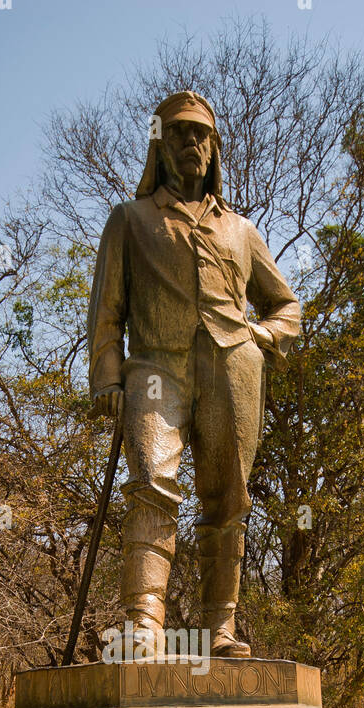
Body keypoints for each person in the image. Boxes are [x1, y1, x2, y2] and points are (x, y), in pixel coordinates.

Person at [87, 89, 300, 657]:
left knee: (228, 497)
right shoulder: (130, 220)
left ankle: (219, 628)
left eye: (201, 134)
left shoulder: (241, 230)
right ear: (160, 144)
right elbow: (107, 309)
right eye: (179, 132)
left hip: (233, 368)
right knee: (152, 481)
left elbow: (287, 307)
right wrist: (107, 375)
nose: (191, 143)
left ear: (214, 149)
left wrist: (261, 335)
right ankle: (145, 624)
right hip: (156, 368)